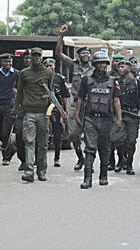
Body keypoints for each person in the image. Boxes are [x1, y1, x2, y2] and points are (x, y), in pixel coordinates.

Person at [76, 51, 122, 189]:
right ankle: (87, 179)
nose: (101, 65)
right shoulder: (86, 80)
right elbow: (80, 99)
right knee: (90, 148)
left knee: (105, 148)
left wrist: (119, 118)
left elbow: (116, 100)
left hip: (106, 119)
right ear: (94, 64)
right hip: (90, 118)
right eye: (99, 63)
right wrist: (77, 115)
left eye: (103, 63)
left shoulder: (113, 81)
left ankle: (103, 176)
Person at [56, 24, 94, 171]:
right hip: (75, 103)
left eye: (88, 53)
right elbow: (59, 54)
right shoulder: (74, 65)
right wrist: (61, 36)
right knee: (72, 134)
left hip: (91, 104)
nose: (85, 55)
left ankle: (89, 161)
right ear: (79, 55)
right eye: (83, 53)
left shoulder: (95, 67)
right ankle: (80, 157)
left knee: (91, 136)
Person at [13, 47, 53, 182]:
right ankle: (29, 171)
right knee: (29, 142)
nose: (36, 58)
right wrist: (15, 109)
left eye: (38, 56)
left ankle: (41, 170)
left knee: (42, 144)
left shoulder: (48, 73)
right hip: (29, 112)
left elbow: (52, 94)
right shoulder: (24, 73)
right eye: (34, 56)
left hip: (43, 113)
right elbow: (19, 93)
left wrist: (47, 98)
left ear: (41, 57)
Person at [111, 61, 140, 175]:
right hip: (119, 114)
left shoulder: (136, 82)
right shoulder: (115, 82)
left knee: (131, 142)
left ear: (129, 68)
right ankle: (121, 160)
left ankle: (129, 164)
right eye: (118, 67)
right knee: (117, 140)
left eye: (122, 66)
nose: (119, 69)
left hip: (132, 115)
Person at [0, 53, 19, 166]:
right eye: (6, 62)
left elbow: (20, 89)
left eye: (10, 62)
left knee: (6, 131)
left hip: (10, 105)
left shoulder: (17, 73)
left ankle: (6, 157)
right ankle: (12, 148)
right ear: (2, 62)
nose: (8, 64)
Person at [46, 58, 70, 168]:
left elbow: (65, 95)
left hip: (56, 109)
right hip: (42, 108)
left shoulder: (59, 79)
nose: (49, 67)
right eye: (47, 65)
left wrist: (66, 109)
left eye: (51, 65)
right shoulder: (41, 77)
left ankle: (57, 158)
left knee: (58, 135)